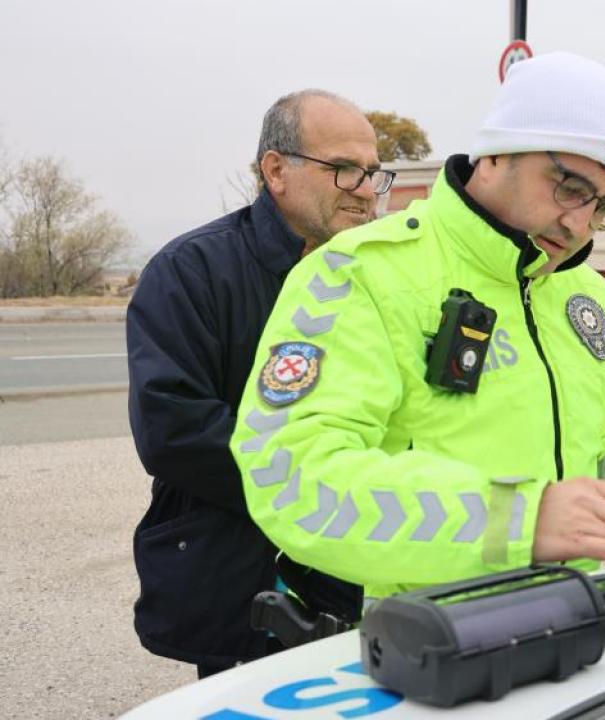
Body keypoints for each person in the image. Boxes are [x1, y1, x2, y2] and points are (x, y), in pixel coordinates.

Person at [229, 52, 605, 606]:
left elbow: (599, 433)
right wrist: (518, 521)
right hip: (433, 647)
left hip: (579, 622)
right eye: (568, 187)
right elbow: (291, 477)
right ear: (496, 152)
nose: (579, 224)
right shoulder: (361, 273)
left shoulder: (586, 297)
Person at [127, 89, 384, 677]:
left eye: (372, 173)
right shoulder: (192, 271)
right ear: (276, 170)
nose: (367, 190)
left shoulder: (378, 275)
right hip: (242, 573)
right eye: (344, 170)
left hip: (362, 567)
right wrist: (315, 484)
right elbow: (172, 426)